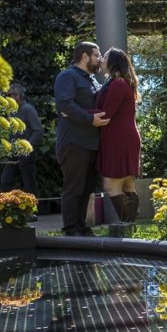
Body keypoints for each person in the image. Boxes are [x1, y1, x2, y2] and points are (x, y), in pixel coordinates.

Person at [54, 41, 109, 236]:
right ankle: (70, 229)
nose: (100, 58)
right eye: (97, 54)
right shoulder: (68, 76)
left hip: (91, 144)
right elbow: (64, 103)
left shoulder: (92, 80)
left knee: (86, 189)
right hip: (74, 143)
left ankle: (81, 225)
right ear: (85, 57)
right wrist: (88, 118)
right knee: (74, 188)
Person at [95, 47, 142, 225]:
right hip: (124, 137)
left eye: (104, 57)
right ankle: (131, 227)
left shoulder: (118, 84)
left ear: (113, 62)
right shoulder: (120, 82)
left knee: (111, 185)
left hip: (119, 138)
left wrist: (77, 112)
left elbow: (106, 114)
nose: (101, 60)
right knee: (128, 183)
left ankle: (126, 225)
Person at [0, 83, 44, 202]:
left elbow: (38, 131)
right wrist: (6, 152)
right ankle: (5, 209)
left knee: (29, 183)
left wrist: (27, 147)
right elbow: (10, 133)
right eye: (6, 95)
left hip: (26, 153)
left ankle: (33, 211)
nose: (8, 97)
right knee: (5, 181)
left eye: (11, 95)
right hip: (12, 153)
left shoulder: (27, 109)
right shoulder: (11, 111)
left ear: (19, 96)